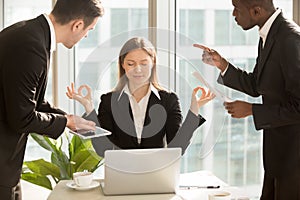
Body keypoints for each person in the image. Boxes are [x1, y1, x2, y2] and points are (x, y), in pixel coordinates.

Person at [194, 0, 300, 199]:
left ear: (256, 11)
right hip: (277, 156)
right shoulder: (269, 34)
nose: (233, 14)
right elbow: (257, 85)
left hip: (294, 160)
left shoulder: (290, 39)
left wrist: (252, 110)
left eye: (237, 9)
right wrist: (222, 65)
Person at [0, 0, 104, 199]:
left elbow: (32, 102)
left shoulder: (30, 34)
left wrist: (68, 119)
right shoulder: (31, 46)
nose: (86, 35)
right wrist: (66, 122)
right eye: (89, 29)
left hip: (7, 166)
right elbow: (22, 117)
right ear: (77, 25)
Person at [66, 37, 215, 157]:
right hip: (121, 175)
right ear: (123, 65)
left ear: (153, 63)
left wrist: (194, 109)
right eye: (131, 63)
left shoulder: (168, 100)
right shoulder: (108, 100)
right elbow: (103, 149)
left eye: (144, 63)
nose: (138, 70)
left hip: (157, 174)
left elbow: (177, 148)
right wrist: (89, 108)